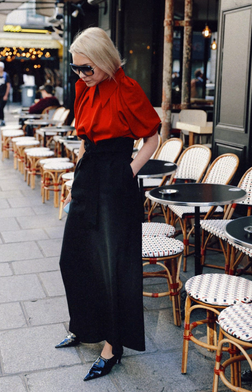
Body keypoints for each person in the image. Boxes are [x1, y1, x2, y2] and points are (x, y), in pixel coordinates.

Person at [55, 27, 161, 382]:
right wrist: (74, 182)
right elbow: (84, 141)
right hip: (88, 175)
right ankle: (83, 326)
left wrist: (128, 172)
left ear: (103, 60)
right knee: (73, 257)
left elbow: (153, 136)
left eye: (87, 68)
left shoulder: (127, 89)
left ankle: (112, 346)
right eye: (76, 69)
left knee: (111, 266)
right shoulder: (82, 89)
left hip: (116, 177)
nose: (82, 75)